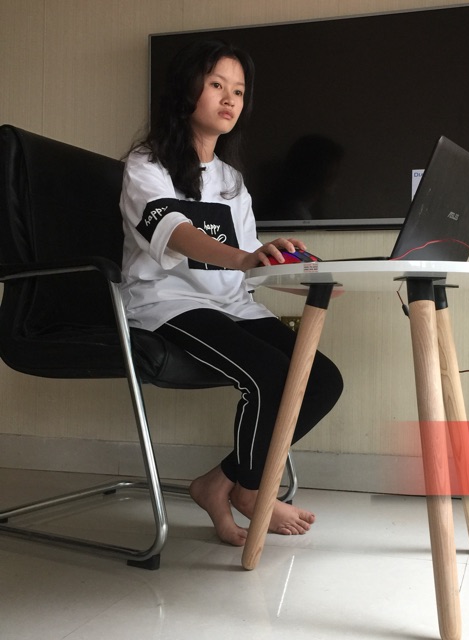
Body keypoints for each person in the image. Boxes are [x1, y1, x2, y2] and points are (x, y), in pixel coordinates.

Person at [120, 39, 343, 546]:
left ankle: (218, 483)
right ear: (187, 90)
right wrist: (244, 258)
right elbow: (174, 231)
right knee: (268, 374)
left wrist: (298, 274)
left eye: (238, 91)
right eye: (217, 85)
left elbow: (248, 263)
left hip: (231, 304)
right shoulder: (145, 165)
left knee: (323, 379)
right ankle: (251, 490)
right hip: (168, 302)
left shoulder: (231, 181)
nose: (229, 99)